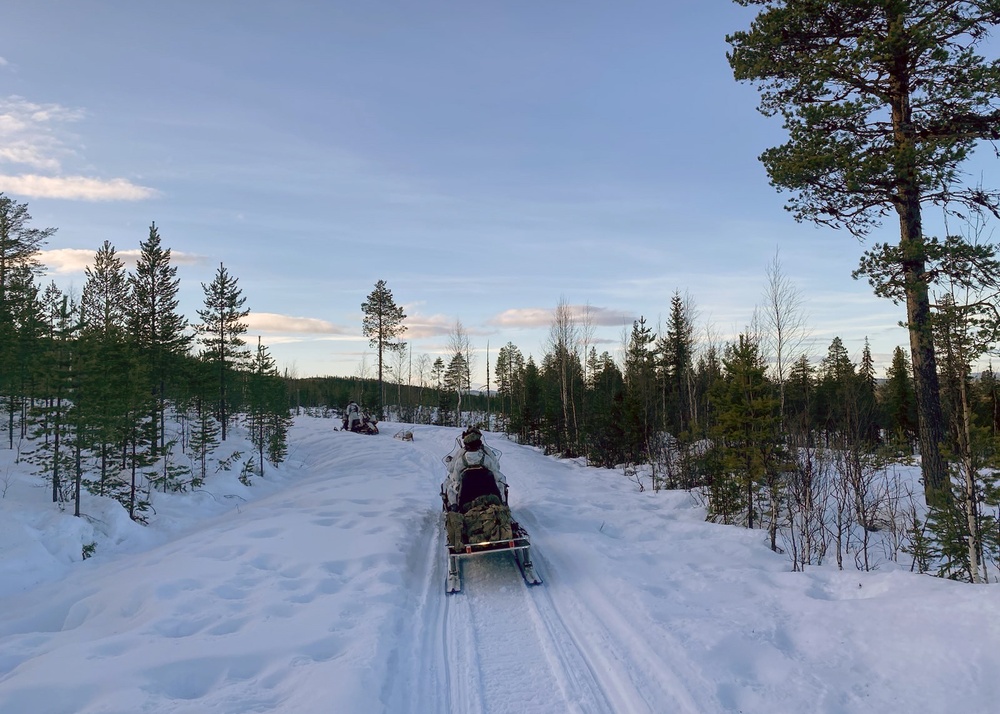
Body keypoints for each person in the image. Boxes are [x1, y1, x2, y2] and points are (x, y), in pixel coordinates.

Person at [442, 427, 507, 510]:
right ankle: (503, 503)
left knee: (450, 486)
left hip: (466, 490)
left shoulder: (460, 459)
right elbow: (496, 470)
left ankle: (454, 506)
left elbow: (455, 477)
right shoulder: (486, 457)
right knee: (501, 482)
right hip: (486, 487)